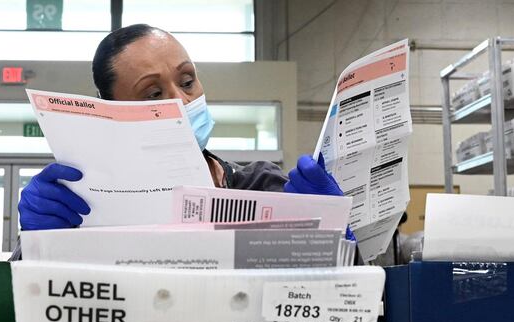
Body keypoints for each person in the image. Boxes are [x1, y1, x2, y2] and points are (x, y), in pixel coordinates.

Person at [17, 24, 343, 238]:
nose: (181, 100)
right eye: (153, 94)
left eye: (187, 81)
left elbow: (340, 307)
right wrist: (35, 246)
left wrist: (336, 232)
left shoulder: (261, 186)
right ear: (114, 112)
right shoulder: (84, 206)